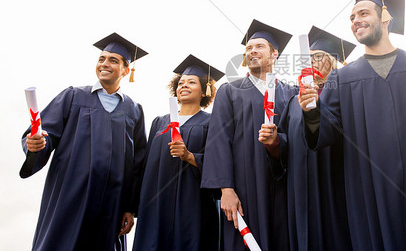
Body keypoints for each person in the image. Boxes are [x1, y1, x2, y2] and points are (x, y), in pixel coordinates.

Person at [298, 0, 406, 250]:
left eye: (363, 13)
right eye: (351, 18)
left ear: (385, 17)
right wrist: (311, 111)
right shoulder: (343, 78)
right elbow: (327, 131)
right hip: (371, 191)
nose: (355, 21)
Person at [20, 32, 148, 251]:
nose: (104, 64)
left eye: (113, 60)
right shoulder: (73, 97)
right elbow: (45, 135)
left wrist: (129, 207)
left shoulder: (133, 111)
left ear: (127, 70)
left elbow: (138, 164)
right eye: (102, 59)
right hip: (71, 194)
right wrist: (35, 144)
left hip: (112, 204)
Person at [201, 19, 297, 251]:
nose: (252, 51)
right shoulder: (230, 91)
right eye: (248, 48)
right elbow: (219, 141)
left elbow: (297, 140)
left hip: (284, 185)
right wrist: (226, 189)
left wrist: (277, 142)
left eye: (259, 46)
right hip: (243, 187)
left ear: (274, 54)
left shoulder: (291, 92)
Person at [133, 55, 224, 251]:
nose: (184, 86)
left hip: (194, 206)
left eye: (192, 82)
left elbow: (219, 165)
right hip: (156, 206)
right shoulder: (159, 122)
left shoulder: (212, 123)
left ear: (205, 90)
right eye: (181, 83)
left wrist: (189, 156)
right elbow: (145, 166)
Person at [278, 26, 355, 251]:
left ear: (332, 61)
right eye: (307, 58)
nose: (310, 62)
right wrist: (273, 143)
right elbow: (285, 147)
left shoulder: (347, 94)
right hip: (301, 189)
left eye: (318, 57)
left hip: (336, 185)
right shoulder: (294, 102)